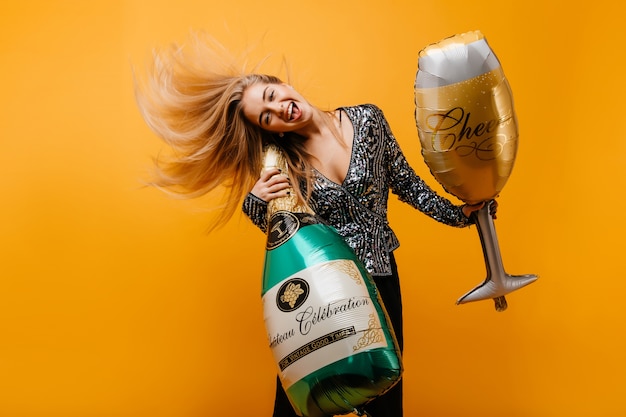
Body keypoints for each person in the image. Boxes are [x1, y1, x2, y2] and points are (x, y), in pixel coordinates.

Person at [135, 35, 496, 417]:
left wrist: (460, 215)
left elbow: (406, 184)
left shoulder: (368, 120)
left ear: (282, 83)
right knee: (303, 403)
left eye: (273, 95)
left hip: (381, 280)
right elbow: (284, 235)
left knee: (386, 398)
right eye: (267, 116)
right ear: (269, 129)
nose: (279, 108)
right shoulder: (283, 165)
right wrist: (256, 200)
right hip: (322, 290)